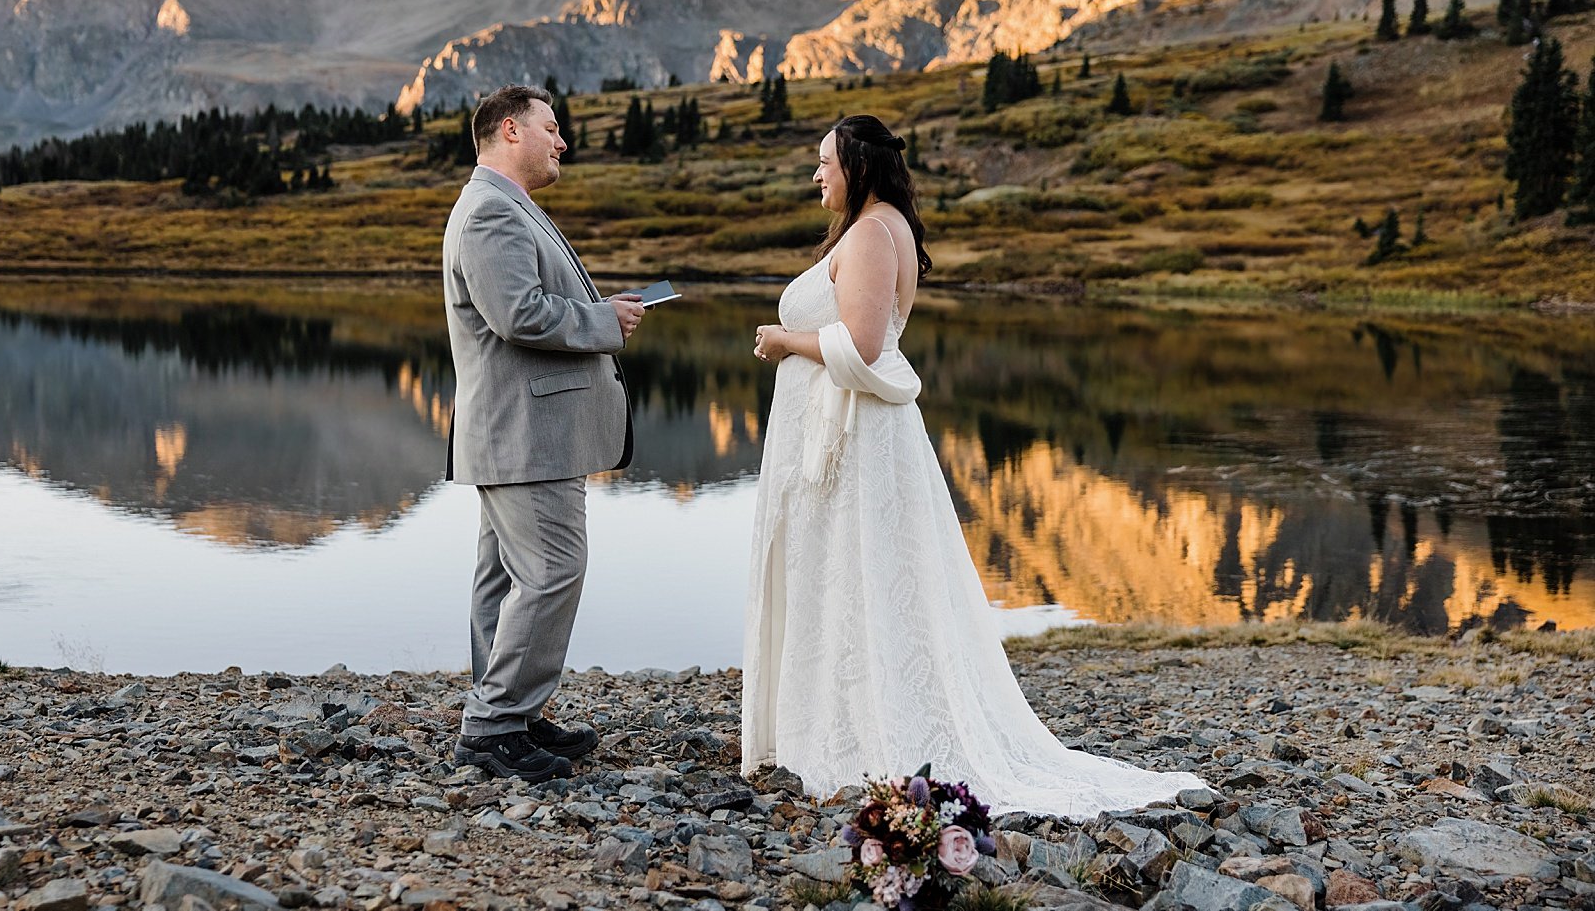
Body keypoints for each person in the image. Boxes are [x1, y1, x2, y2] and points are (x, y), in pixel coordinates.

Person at [743, 113, 1203, 814]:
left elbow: (864, 346)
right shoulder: (883, 226)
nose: (817, 175)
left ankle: (855, 736)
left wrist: (784, 337)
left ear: (857, 166)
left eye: (825, 162)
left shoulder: (871, 232)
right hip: (856, 440)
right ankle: (842, 721)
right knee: (856, 579)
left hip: (859, 444)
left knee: (858, 576)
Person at [442, 83, 647, 782]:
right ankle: (493, 725)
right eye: (552, 128)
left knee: (504, 579)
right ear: (510, 131)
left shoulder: (506, 207)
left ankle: (514, 714)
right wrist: (603, 321)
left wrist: (599, 309)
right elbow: (518, 315)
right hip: (525, 435)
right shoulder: (488, 215)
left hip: (521, 433)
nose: (563, 141)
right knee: (554, 569)